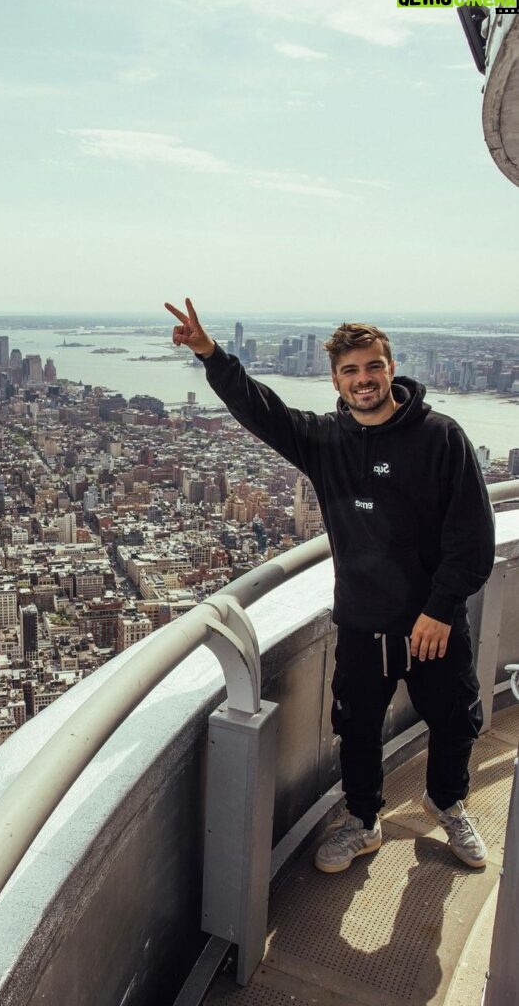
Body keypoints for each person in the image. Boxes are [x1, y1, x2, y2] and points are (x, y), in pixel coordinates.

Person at [165, 297, 495, 873]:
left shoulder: (441, 438)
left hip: (431, 625)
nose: (362, 380)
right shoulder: (324, 440)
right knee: (358, 728)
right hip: (363, 622)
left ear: (391, 368)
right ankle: (363, 821)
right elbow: (261, 410)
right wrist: (209, 354)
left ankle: (447, 803)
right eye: (350, 371)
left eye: (372, 367)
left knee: (454, 721)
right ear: (336, 379)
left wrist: (441, 609)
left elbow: (473, 536)